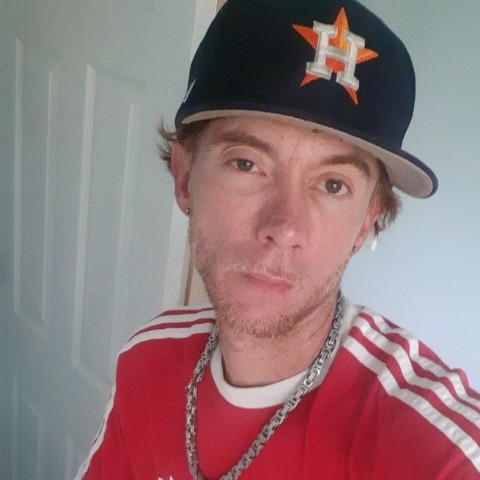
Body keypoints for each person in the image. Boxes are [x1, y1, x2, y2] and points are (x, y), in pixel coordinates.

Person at [75, 0, 480, 478]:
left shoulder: (433, 446)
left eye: (333, 185)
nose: (286, 227)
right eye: (246, 163)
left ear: (366, 221)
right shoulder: (147, 361)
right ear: (184, 180)